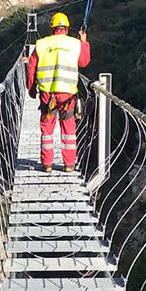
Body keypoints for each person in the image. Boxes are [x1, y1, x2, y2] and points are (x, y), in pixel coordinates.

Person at [26, 12, 90, 172]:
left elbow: (31, 69)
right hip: (67, 94)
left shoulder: (41, 44)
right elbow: (84, 62)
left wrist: (31, 89)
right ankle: (69, 164)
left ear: (52, 28)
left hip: (47, 94)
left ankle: (47, 164)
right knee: (68, 128)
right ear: (66, 28)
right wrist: (84, 42)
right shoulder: (75, 44)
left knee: (47, 129)